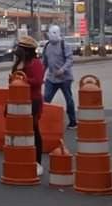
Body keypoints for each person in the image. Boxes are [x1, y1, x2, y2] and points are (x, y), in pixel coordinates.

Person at [12, 35, 46, 176]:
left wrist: (24, 79)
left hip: (33, 100)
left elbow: (38, 81)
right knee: (22, 130)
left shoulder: (36, 63)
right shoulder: (21, 63)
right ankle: (23, 158)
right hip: (20, 100)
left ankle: (37, 162)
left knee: (34, 130)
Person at [41, 24, 77, 129]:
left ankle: (73, 122)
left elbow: (70, 60)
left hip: (65, 78)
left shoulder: (64, 45)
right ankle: (43, 120)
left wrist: (62, 69)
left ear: (58, 34)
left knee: (69, 100)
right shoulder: (47, 46)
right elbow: (44, 63)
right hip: (51, 78)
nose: (52, 36)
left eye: (54, 33)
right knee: (46, 98)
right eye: (50, 33)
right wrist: (41, 75)